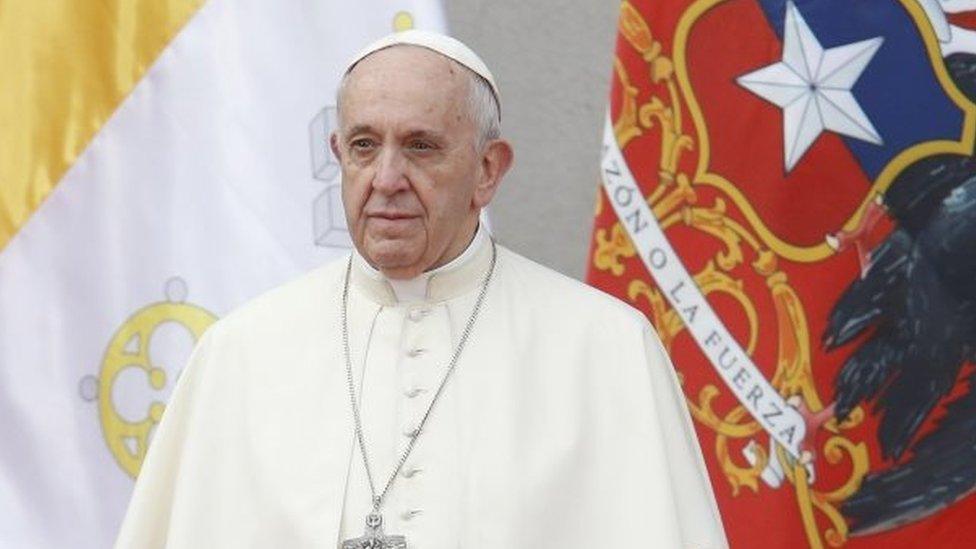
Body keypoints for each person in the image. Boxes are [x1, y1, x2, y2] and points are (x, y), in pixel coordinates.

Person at [115, 30, 728, 549]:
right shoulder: (239, 353)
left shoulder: (607, 349)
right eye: (363, 146)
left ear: (488, 170)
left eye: (420, 147)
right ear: (338, 155)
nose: (386, 179)